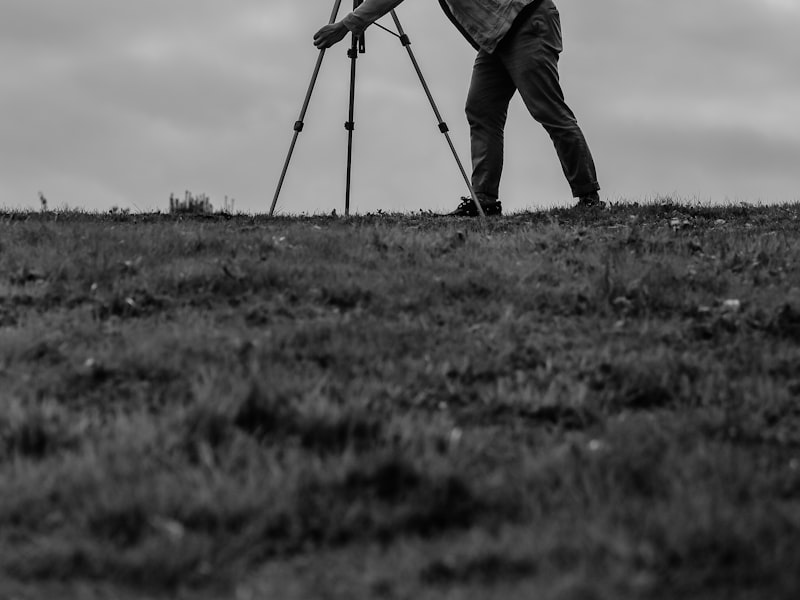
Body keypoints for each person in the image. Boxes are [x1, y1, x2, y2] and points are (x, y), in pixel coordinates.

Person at [314, 0, 601, 216]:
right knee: (481, 110)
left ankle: (588, 196)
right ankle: (484, 201)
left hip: (526, 22)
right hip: (498, 37)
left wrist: (346, 24)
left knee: (547, 110)